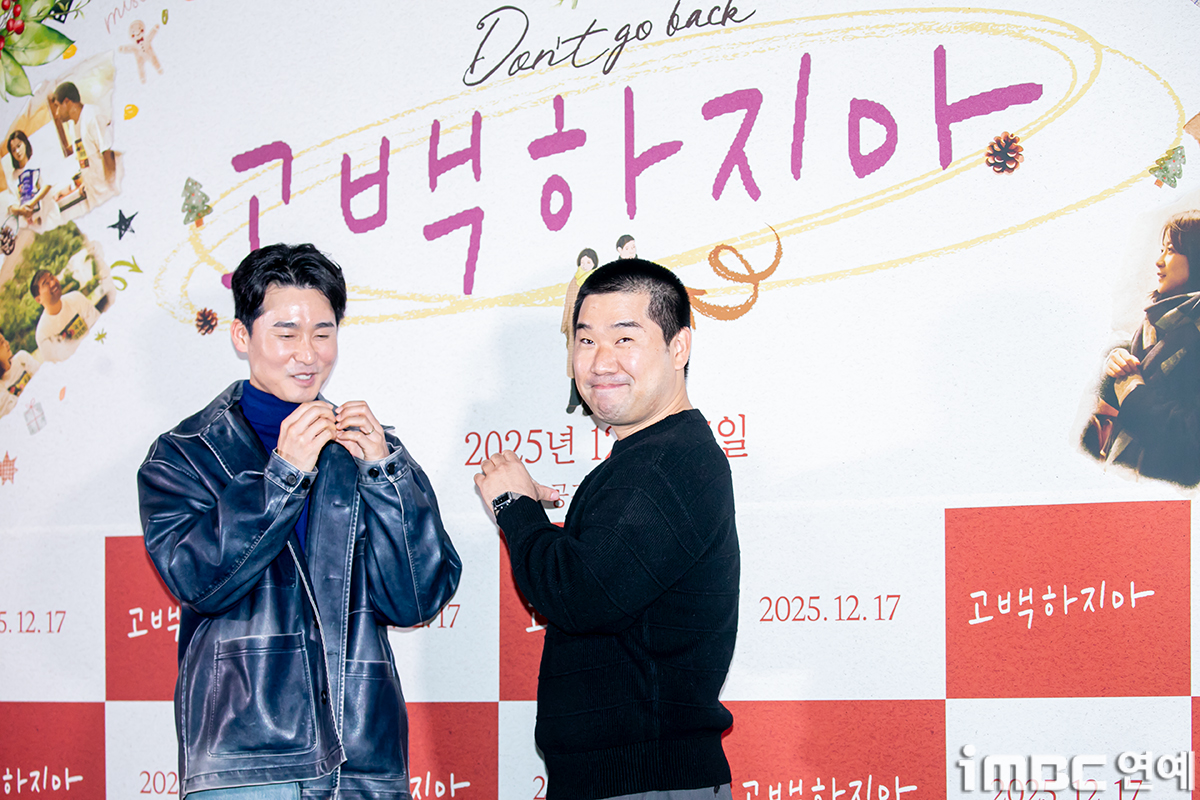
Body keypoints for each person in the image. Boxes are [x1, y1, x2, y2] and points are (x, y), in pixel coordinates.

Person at [137, 243, 461, 800]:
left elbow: (417, 599)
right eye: (286, 334)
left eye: (323, 333)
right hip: (246, 760)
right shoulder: (185, 454)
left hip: (362, 753)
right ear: (242, 336)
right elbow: (199, 582)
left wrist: (385, 473)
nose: (307, 354)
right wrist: (282, 476)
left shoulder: (367, 449)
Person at [475, 258, 739, 800]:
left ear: (679, 348)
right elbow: (602, 583)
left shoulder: (668, 460)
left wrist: (514, 507)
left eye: (625, 338)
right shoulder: (650, 458)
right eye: (586, 340)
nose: (600, 361)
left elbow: (580, 595)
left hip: (644, 781)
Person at [1085, 210, 1200, 485]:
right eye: (1162, 250)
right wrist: (1115, 365)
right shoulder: (1155, 323)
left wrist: (1133, 393)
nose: (1159, 261)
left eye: (1172, 250)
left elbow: (1191, 437)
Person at [52, 82, 119, 211]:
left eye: (57, 106)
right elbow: (87, 160)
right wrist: (86, 183)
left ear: (67, 102)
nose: (56, 113)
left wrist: (113, 191)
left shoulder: (93, 115)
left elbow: (108, 154)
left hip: (108, 195)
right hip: (95, 197)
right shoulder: (73, 127)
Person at [31, 268, 99, 362]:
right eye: (46, 283)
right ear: (38, 299)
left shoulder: (76, 298)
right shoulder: (43, 334)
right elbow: (57, 365)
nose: (52, 283)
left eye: (52, 278)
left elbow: (98, 326)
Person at [561, 246, 598, 413]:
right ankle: (574, 401)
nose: (585, 265)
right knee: (575, 367)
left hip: (592, 331)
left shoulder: (597, 282)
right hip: (574, 329)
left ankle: (588, 404)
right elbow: (568, 305)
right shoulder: (574, 281)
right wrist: (566, 326)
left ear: (594, 264)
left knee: (591, 368)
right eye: (583, 262)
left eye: (588, 262)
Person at [6, 130, 61, 233]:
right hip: (32, 228)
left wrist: (32, 203)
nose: (17, 151)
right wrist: (21, 210)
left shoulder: (37, 162)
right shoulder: (13, 177)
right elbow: (11, 206)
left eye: (19, 146)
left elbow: (48, 184)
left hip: (49, 218)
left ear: (25, 143)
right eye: (13, 150)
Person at [0, 329, 39, 420]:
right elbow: (15, 413)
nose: (7, 343)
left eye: (4, 340)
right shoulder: (1, 387)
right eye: (2, 343)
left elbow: (42, 377)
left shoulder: (22, 359)